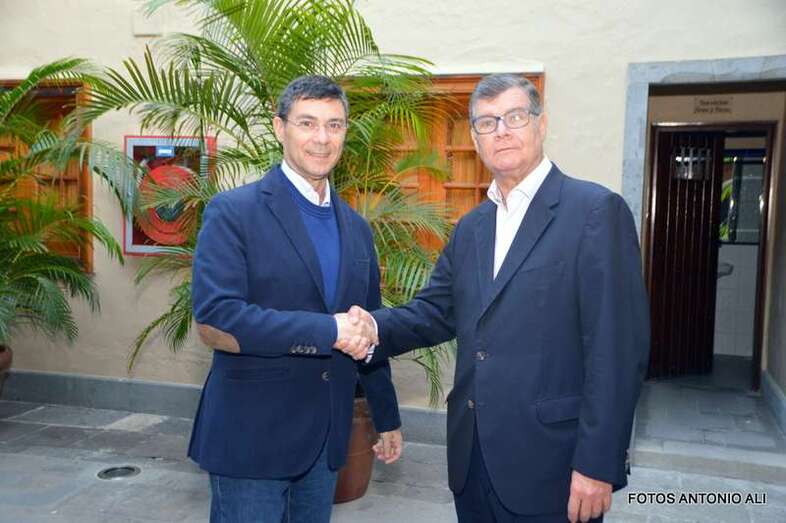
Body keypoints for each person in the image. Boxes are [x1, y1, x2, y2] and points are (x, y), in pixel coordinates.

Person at [344, 73, 650, 523]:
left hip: (554, 464)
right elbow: (434, 312)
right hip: (473, 459)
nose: (501, 131)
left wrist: (598, 464)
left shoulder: (595, 212)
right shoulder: (472, 227)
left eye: (515, 117)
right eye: (487, 122)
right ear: (475, 139)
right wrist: (371, 327)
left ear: (541, 124)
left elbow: (618, 350)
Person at [189, 75, 403, 523]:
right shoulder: (233, 212)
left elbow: (369, 324)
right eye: (307, 123)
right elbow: (217, 318)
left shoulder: (357, 229)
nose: (322, 138)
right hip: (251, 438)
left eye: (334, 125)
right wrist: (328, 330)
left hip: (325, 440)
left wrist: (385, 415)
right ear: (279, 127)